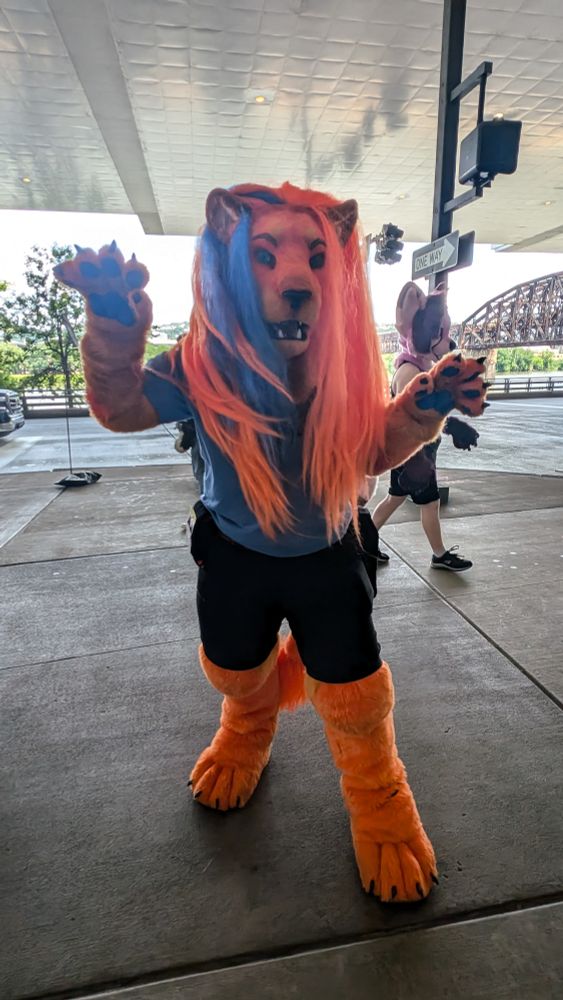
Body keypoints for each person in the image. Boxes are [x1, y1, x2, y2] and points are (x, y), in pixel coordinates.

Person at [53, 183, 487, 903]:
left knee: (353, 695)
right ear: (230, 262)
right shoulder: (201, 360)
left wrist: (422, 407)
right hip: (232, 552)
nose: (294, 278)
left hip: (327, 554)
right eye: (265, 255)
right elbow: (121, 407)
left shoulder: (342, 369)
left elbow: (372, 450)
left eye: (315, 258)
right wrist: (111, 326)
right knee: (234, 669)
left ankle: (381, 804)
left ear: (336, 269)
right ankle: (244, 732)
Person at [371, 282, 480, 572]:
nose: (447, 340)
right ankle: (439, 554)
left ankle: (365, 543)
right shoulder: (409, 371)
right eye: (439, 333)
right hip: (413, 456)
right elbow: (421, 414)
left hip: (416, 454)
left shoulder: (418, 367)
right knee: (428, 503)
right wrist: (453, 425)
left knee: (396, 498)